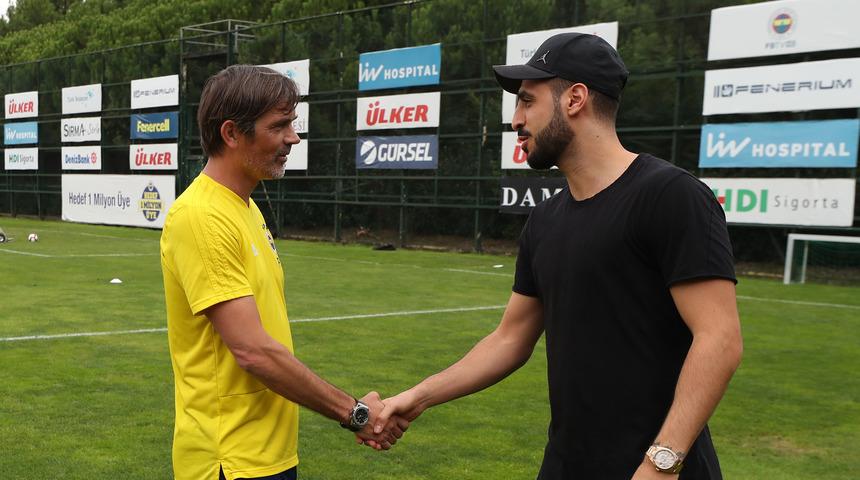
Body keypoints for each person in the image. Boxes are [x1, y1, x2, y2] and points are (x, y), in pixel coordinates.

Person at [373, 33, 743, 479]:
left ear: (575, 99)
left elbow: (719, 339)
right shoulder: (545, 220)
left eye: (527, 101)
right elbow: (510, 339)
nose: (516, 120)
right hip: (567, 464)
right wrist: (419, 396)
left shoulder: (671, 197)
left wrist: (661, 463)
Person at [160, 65, 406, 480]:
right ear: (231, 134)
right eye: (280, 126)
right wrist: (356, 413)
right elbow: (253, 350)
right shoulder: (201, 215)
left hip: (265, 454)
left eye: (291, 123)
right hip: (231, 460)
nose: (293, 137)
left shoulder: (245, 207)